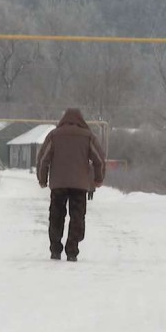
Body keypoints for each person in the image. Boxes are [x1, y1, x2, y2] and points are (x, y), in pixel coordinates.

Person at [36, 109, 105, 262]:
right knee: (77, 217)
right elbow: (99, 159)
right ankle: (72, 250)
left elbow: (43, 159)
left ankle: (55, 249)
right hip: (79, 185)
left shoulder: (54, 135)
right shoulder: (88, 137)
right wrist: (98, 179)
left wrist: (42, 179)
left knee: (56, 216)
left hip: (58, 185)